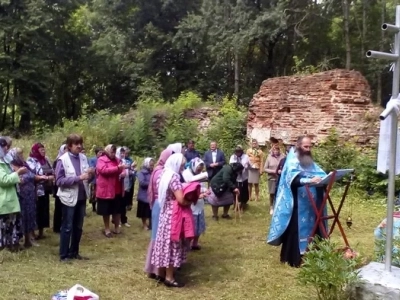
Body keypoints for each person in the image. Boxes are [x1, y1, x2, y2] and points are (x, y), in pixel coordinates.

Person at [267, 136, 326, 268]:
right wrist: (309, 181)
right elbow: (291, 179)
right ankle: (296, 258)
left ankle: (312, 254)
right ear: (298, 146)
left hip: (311, 204)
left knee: (313, 227)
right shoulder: (292, 160)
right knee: (296, 229)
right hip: (297, 204)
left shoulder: (308, 160)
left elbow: (319, 172)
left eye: (310, 146)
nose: (308, 149)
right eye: (306, 146)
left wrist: (325, 178)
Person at [151, 153, 188, 288]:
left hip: (164, 213)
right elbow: (181, 199)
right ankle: (170, 277)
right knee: (172, 245)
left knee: (163, 243)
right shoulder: (174, 178)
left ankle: (160, 273)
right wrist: (194, 197)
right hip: (173, 214)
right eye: (182, 166)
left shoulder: (163, 175)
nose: (182, 168)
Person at [55, 134, 92, 262]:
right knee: (67, 226)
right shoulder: (62, 160)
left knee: (78, 227)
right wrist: (78, 178)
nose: (80, 146)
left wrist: (91, 174)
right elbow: (59, 181)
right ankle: (64, 255)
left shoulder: (83, 157)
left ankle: (74, 252)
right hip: (68, 198)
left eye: (80, 143)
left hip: (81, 197)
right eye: (76, 144)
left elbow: (87, 176)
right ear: (69, 146)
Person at [144, 148, 173, 281]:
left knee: (156, 237)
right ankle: (157, 270)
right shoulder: (162, 172)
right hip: (161, 206)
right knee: (158, 238)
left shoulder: (157, 169)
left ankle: (153, 269)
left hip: (158, 204)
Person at [9, 148, 46, 248]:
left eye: (22, 153)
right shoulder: (11, 166)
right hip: (21, 196)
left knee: (31, 216)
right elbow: (18, 180)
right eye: (19, 154)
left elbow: (32, 175)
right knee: (23, 217)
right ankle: (21, 240)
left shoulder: (24, 164)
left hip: (30, 195)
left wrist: (40, 177)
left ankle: (29, 239)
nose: (22, 156)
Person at [0, 137, 27, 252]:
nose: (6, 148)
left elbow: (10, 177)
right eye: (3, 146)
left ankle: (11, 245)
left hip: (10, 198)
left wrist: (17, 179)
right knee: (4, 226)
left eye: (7, 146)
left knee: (11, 224)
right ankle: (3, 248)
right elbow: (4, 180)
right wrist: (18, 172)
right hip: (3, 199)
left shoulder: (5, 161)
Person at [96, 144, 126, 237]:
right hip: (106, 190)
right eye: (111, 152)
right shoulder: (101, 160)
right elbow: (103, 171)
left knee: (117, 210)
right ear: (107, 151)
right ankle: (107, 229)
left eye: (114, 152)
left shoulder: (117, 160)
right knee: (106, 211)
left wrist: (123, 173)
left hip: (117, 189)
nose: (113, 154)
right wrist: (117, 168)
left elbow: (122, 169)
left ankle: (117, 228)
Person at [27, 143, 55, 240]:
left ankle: (41, 232)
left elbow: (52, 170)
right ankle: (32, 233)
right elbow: (32, 175)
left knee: (44, 210)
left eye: (44, 149)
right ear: (36, 151)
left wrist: (51, 176)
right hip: (36, 190)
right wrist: (47, 177)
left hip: (46, 189)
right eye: (41, 150)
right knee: (36, 210)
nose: (43, 151)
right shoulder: (31, 161)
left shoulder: (46, 159)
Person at [182, 157, 209, 250]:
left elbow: (202, 186)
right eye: (198, 169)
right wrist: (198, 195)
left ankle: (195, 243)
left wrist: (205, 191)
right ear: (194, 166)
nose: (199, 171)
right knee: (190, 227)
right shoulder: (186, 173)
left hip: (199, 205)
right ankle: (187, 244)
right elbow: (189, 186)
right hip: (191, 205)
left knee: (199, 225)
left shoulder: (199, 174)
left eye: (201, 169)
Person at [264, 146, 285, 215]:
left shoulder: (283, 156)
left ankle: (279, 207)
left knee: (280, 193)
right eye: (274, 150)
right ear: (272, 150)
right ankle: (271, 207)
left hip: (281, 178)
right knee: (272, 193)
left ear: (279, 150)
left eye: (277, 150)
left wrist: (281, 171)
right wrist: (274, 171)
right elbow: (265, 168)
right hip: (272, 178)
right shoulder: (269, 157)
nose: (276, 151)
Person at [136, 157, 154, 230]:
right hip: (143, 196)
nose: (152, 167)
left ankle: (151, 224)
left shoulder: (152, 172)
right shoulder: (141, 173)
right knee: (144, 212)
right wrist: (151, 183)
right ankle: (144, 224)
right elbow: (142, 183)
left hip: (150, 195)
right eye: (150, 165)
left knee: (150, 211)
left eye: (152, 165)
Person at [53, 144, 67, 233]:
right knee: (58, 207)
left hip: (67, 186)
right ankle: (57, 227)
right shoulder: (58, 160)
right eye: (65, 149)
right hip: (59, 187)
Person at [88, 147, 103, 213]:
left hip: (102, 180)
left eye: (101, 152)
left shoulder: (103, 159)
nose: (101, 153)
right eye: (99, 152)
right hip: (94, 179)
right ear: (96, 153)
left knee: (100, 194)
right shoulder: (92, 159)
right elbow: (92, 168)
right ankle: (94, 207)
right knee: (93, 193)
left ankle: (100, 207)